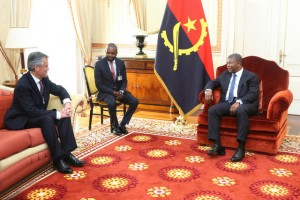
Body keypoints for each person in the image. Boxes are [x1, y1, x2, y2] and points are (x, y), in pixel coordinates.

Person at [4, 51, 85, 174]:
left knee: (64, 115)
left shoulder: (44, 78)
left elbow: (59, 89)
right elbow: (31, 111)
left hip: (35, 113)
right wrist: (57, 114)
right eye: (46, 65)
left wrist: (67, 104)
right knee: (48, 119)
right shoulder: (23, 85)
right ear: (37, 67)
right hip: (21, 118)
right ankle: (57, 160)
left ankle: (67, 154)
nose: (48, 68)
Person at [204, 53, 259, 162]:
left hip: (247, 103)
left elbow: (253, 94)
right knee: (213, 110)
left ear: (239, 63)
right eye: (227, 62)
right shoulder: (225, 74)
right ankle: (217, 144)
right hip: (228, 102)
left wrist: (239, 102)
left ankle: (241, 147)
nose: (227, 65)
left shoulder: (251, 76)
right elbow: (213, 82)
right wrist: (208, 90)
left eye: (230, 63)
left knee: (241, 110)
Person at [94, 43, 139, 136]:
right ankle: (115, 126)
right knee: (112, 103)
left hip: (119, 91)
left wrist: (122, 91)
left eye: (112, 53)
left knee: (134, 101)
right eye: (108, 53)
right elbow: (99, 85)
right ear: (106, 52)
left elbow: (124, 80)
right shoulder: (99, 64)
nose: (110, 55)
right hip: (106, 92)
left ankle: (122, 125)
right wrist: (113, 92)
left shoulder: (120, 63)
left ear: (116, 53)